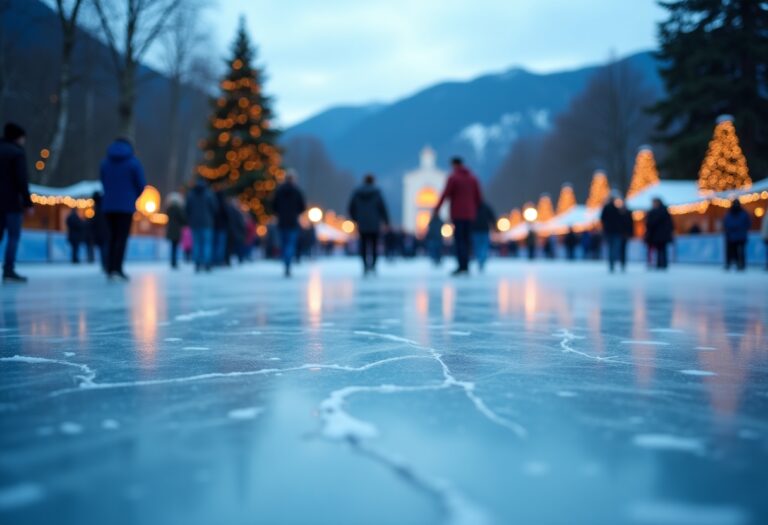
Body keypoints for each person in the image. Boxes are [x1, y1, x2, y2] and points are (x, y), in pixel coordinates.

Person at [100, 138, 146, 281]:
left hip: (108, 206)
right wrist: (133, 197)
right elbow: (141, 184)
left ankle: (109, 268)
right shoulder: (133, 162)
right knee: (122, 238)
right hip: (125, 207)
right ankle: (117, 268)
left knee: (111, 237)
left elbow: (102, 180)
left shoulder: (105, 162)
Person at [433, 157, 482, 275]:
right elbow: (479, 197)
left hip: (458, 214)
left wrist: (437, 208)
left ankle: (461, 265)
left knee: (459, 240)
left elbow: (445, 194)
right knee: (467, 239)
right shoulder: (473, 178)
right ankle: (466, 264)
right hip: (470, 214)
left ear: (454, 165)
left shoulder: (453, 178)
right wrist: (475, 209)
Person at [0, 123, 32, 283]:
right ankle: (8, 269)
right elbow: (21, 180)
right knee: (13, 236)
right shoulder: (17, 153)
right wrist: (28, 202)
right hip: (12, 203)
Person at [348, 174, 390, 275]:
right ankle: (373, 265)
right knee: (374, 245)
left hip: (362, 223)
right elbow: (382, 208)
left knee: (363, 245)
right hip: (374, 224)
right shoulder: (377, 193)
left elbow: (351, 208)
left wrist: (355, 219)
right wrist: (386, 221)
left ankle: (365, 265)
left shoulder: (356, 193)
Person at [272, 172, 306, 277]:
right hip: (292, 222)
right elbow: (302, 207)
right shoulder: (297, 191)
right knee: (290, 244)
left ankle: (286, 263)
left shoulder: (279, 191)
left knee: (284, 243)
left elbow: (273, 205)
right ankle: (288, 263)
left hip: (282, 222)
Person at [185, 179, 217, 272]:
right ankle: (206, 263)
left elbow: (187, 209)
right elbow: (214, 208)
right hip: (207, 223)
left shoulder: (191, 194)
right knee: (206, 244)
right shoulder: (208, 194)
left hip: (195, 223)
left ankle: (197, 263)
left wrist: (190, 218)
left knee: (196, 243)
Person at [601, 194, 631, 273]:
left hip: (610, 232)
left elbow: (603, 219)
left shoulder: (607, 208)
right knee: (615, 248)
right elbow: (621, 221)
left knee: (611, 248)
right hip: (616, 232)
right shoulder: (616, 209)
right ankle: (615, 264)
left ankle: (612, 264)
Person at [645, 197, 674, 270]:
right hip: (657, 235)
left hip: (660, 235)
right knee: (660, 249)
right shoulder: (661, 211)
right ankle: (660, 264)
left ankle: (662, 264)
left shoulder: (659, 212)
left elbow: (651, 223)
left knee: (662, 249)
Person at [723, 199, 751, 271]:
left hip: (740, 236)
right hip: (732, 236)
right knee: (733, 251)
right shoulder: (729, 214)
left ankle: (741, 264)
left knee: (740, 251)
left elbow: (748, 224)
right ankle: (734, 263)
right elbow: (725, 224)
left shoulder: (743, 214)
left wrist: (740, 229)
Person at [471, 201, 497, 272]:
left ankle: (480, 259)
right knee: (483, 246)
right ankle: (481, 259)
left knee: (478, 246)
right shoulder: (485, 207)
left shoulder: (473, 206)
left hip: (477, 230)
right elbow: (492, 217)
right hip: (481, 230)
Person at [165, 192, 186, 269]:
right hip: (176, 230)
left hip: (170, 230)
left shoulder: (169, 209)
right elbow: (183, 219)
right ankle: (174, 262)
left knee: (173, 247)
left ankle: (172, 262)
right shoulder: (178, 209)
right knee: (175, 247)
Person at [89, 192, 109, 272]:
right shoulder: (104, 207)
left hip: (100, 233)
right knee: (105, 249)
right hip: (104, 232)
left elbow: (94, 222)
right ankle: (106, 265)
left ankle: (105, 265)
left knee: (103, 249)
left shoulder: (96, 208)